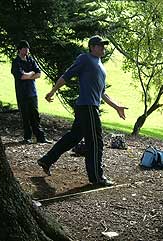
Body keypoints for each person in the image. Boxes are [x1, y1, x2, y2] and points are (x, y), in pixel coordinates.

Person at [37, 35, 128, 186]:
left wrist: (116, 106)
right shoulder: (85, 59)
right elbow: (67, 75)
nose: (103, 48)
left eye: (104, 45)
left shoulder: (100, 65)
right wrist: (52, 91)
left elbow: (102, 93)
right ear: (92, 47)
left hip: (88, 107)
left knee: (74, 137)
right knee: (95, 142)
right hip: (87, 107)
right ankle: (97, 178)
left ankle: (46, 160)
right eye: (100, 45)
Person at [11, 40, 51, 144]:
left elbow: (38, 74)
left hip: (32, 92)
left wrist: (29, 74)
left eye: (28, 49)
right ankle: (27, 137)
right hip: (22, 93)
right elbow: (21, 76)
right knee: (25, 116)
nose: (27, 51)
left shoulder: (30, 60)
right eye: (25, 49)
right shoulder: (16, 62)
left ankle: (40, 137)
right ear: (20, 49)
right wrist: (31, 73)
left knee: (35, 115)